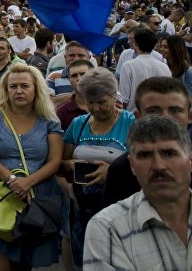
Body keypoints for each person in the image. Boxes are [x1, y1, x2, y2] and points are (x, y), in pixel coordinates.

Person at [0, 64, 65, 269]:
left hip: (33, 201)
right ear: (5, 89)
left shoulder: (49, 119)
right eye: (13, 86)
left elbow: (55, 161)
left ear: (36, 88)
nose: (18, 91)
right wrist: (12, 180)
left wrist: (28, 182)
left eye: (24, 86)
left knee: (23, 266)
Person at [83, 115, 192, 269]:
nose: (159, 166)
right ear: (132, 165)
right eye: (145, 155)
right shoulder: (107, 228)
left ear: (190, 161)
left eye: (169, 153)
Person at [62, 68, 136, 269]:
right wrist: (69, 165)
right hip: (81, 209)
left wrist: (112, 172)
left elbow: (143, 165)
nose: (95, 108)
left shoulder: (131, 123)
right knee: (84, 259)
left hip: (120, 209)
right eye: (90, 103)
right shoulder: (78, 124)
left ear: (114, 97)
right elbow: (61, 163)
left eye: (102, 102)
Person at [102, 77, 190, 206]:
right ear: (138, 117)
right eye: (153, 111)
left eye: (175, 110)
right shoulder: (121, 169)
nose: (165, 118)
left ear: (190, 116)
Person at [118, 28, 171, 111]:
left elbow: (123, 99)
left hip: (133, 116)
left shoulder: (128, 66)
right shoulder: (164, 67)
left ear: (135, 44)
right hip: (158, 116)